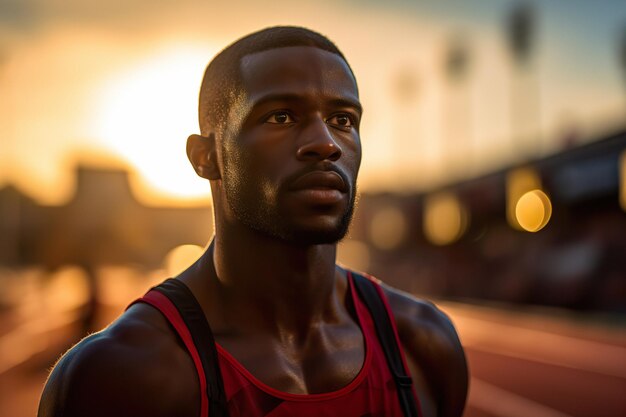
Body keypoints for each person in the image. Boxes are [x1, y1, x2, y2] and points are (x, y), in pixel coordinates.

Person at [38, 26, 468, 417]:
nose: (325, 143)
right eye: (280, 116)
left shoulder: (424, 344)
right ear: (206, 158)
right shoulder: (121, 376)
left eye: (342, 120)